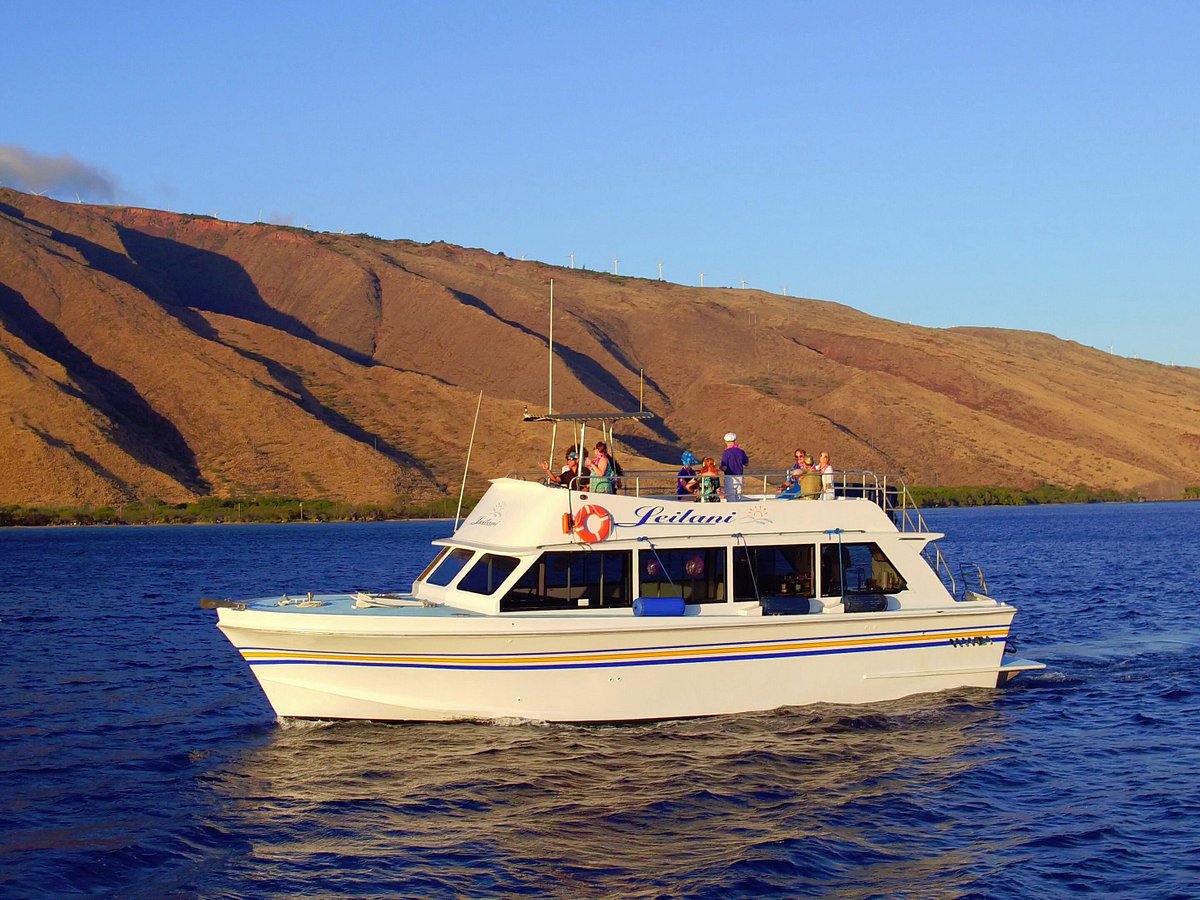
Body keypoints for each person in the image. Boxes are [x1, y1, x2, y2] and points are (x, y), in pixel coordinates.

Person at [719, 432, 749, 501]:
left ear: (726, 442)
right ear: (735, 441)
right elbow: (746, 463)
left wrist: (720, 468)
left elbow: (724, 467)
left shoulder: (726, 452)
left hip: (730, 477)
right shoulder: (741, 451)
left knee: (730, 497)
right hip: (740, 476)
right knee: (738, 496)